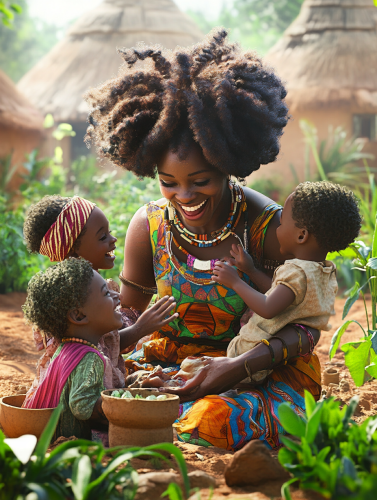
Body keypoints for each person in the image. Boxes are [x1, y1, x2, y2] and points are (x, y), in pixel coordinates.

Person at [84, 28, 330, 450]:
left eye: (200, 181)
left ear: (229, 164)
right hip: (172, 364)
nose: (184, 197)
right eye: (168, 183)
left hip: (256, 369)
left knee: (212, 419)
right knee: (98, 399)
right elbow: (124, 320)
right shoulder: (150, 227)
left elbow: (306, 328)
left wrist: (233, 367)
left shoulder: (268, 230)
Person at [23, 195, 177, 401]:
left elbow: (107, 338)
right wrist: (140, 329)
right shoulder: (73, 298)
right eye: (102, 237)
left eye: (110, 233)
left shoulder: (92, 289)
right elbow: (95, 347)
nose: (113, 240)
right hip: (85, 393)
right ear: (73, 249)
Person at [212, 181, 361, 382]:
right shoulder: (323, 270)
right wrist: (250, 269)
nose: (277, 229)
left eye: (281, 223)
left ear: (301, 235)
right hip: (285, 357)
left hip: (251, 354)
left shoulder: (296, 271)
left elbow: (268, 307)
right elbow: (282, 297)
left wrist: (235, 282)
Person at [22, 258, 120, 440]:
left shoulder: (65, 349)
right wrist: (120, 403)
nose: (117, 296)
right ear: (79, 315)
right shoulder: (90, 357)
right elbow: (81, 406)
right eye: (106, 293)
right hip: (70, 441)